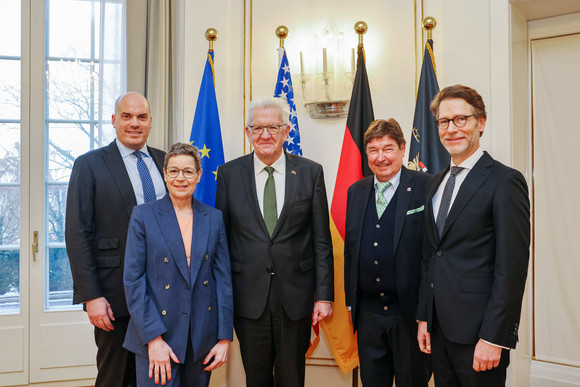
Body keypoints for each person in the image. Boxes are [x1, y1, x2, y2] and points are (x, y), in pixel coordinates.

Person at [215, 97, 334, 387]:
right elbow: (221, 241)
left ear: (286, 131)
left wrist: (324, 295)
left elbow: (321, 239)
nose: (265, 135)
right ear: (248, 133)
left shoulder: (310, 172)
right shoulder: (229, 174)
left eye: (273, 127)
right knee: (256, 379)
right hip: (247, 297)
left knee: (292, 378)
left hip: (295, 297)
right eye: (257, 128)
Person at [416, 84, 530, 386]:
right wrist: (424, 317)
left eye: (460, 119)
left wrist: (495, 337)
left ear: (481, 122)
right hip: (438, 333)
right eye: (444, 121)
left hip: (480, 336)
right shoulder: (435, 183)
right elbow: (431, 256)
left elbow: (512, 269)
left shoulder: (505, 181)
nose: (451, 129)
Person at [66, 92, 166, 387]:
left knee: (160, 376)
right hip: (114, 296)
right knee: (116, 377)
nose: (134, 123)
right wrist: (91, 296)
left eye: (141, 117)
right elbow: (77, 232)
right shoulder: (90, 165)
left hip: (165, 292)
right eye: (127, 116)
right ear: (114, 121)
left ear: (150, 122)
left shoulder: (166, 162)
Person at [123, 142, 233, 386]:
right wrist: (154, 339)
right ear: (164, 174)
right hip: (158, 334)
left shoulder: (213, 218)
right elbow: (133, 280)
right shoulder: (144, 215)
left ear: (198, 175)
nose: (180, 178)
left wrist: (224, 338)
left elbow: (223, 281)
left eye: (187, 171)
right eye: (173, 171)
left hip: (201, 339)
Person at [344, 118, 431, 387]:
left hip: (409, 314)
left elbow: (432, 255)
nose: (380, 157)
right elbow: (350, 250)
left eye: (388, 148)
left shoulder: (427, 187)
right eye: (373, 150)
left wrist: (426, 314)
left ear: (403, 149)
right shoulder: (355, 191)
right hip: (367, 315)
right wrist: (351, 300)